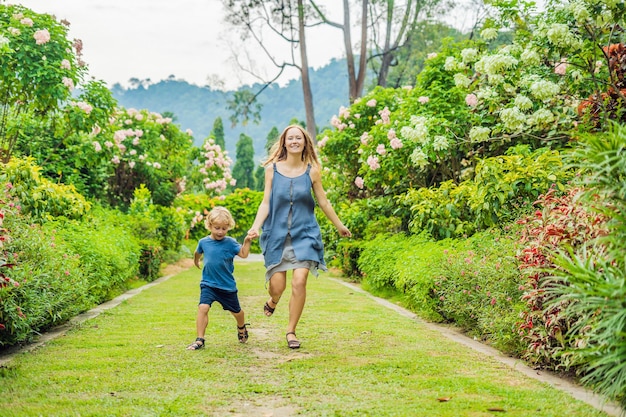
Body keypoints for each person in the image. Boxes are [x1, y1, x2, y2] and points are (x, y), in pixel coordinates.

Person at [247, 124, 351, 349]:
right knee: (278, 286)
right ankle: (273, 300)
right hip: (276, 234)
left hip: (305, 234)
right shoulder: (272, 170)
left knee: (300, 280)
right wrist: (256, 227)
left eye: (299, 138)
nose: (294, 141)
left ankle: (291, 331)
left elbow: (323, 201)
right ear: (284, 142)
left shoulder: (312, 170)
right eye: (290, 138)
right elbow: (265, 202)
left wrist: (339, 225)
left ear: (305, 143)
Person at [187, 206, 252, 350]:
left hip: (226, 285)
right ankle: (200, 339)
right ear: (209, 226)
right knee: (203, 307)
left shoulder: (230, 242)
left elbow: (243, 254)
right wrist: (196, 261)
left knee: (237, 312)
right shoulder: (203, 242)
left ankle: (241, 327)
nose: (220, 232)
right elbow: (197, 252)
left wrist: (247, 241)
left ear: (229, 227)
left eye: (224, 228)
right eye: (217, 228)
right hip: (208, 284)